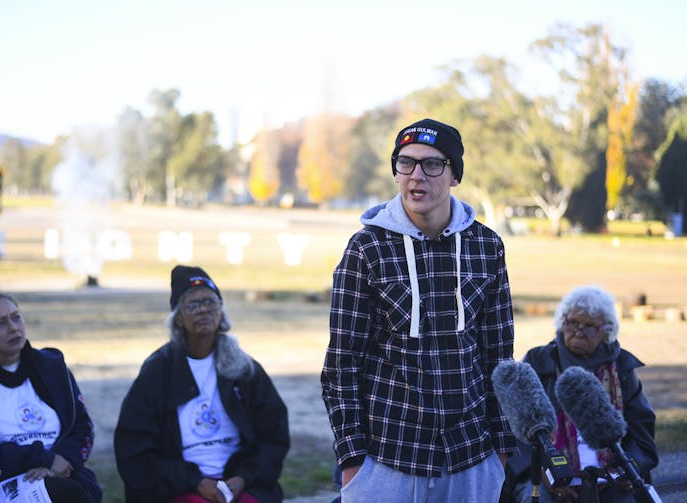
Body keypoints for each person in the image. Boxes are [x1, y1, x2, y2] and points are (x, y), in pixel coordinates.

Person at [321, 118, 517, 502]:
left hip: (472, 457)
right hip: (387, 458)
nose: (416, 176)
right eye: (405, 163)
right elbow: (341, 365)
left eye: (432, 164)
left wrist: (500, 451)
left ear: (454, 175)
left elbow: (499, 358)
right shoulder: (366, 249)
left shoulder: (486, 246)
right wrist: (352, 460)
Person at [114, 265, 290, 503]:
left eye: (211, 302)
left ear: (221, 311)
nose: (204, 310)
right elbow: (135, 448)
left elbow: (274, 433)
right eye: (193, 305)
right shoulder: (157, 372)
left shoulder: (243, 368)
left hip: (238, 481)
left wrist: (244, 478)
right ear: (178, 317)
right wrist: (195, 481)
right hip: (180, 485)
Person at [0, 288, 101, 503]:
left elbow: (81, 427)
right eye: (0, 323)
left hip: (61, 474)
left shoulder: (53, 367)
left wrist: (62, 462)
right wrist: (42, 459)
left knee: (75, 491)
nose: (13, 328)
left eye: (16, 318)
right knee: (65, 494)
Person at [505, 285, 658, 503]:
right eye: (572, 322)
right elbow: (515, 429)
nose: (578, 331)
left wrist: (630, 468)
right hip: (548, 474)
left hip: (612, 475)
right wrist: (541, 472)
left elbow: (642, 431)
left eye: (590, 326)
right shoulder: (538, 362)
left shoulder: (622, 367)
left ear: (606, 330)